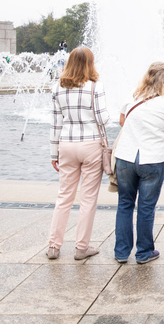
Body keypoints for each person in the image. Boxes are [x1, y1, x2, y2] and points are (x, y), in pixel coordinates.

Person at [47, 46, 110, 261]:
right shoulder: (95, 87)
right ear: (90, 64)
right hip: (90, 143)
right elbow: (103, 119)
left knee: (64, 196)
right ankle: (81, 247)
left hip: (66, 142)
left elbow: (56, 123)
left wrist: (53, 153)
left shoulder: (57, 88)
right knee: (88, 198)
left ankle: (54, 246)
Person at [113, 62, 164, 264]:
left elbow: (122, 121)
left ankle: (121, 252)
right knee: (146, 207)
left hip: (125, 156)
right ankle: (143, 253)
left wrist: (137, 131)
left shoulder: (134, 95)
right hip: (153, 158)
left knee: (125, 204)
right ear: (163, 81)